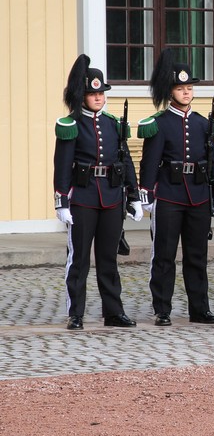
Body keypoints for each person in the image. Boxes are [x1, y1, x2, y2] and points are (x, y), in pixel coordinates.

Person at [53, 54, 143, 330]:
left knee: (109, 259)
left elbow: (125, 160)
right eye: (92, 93)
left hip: (112, 197)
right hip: (82, 198)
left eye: (101, 93)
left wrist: (135, 196)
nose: (98, 98)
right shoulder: (71, 124)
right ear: (82, 96)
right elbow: (62, 164)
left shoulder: (114, 124)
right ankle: (76, 313)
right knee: (78, 260)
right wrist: (62, 201)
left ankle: (113, 312)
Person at [137, 50, 214, 326]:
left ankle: (199, 308)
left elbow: (213, 160)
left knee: (197, 255)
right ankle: (162, 308)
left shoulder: (202, 123)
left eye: (189, 88)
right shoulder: (159, 124)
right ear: (170, 91)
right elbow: (149, 162)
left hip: (198, 194)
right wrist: (146, 193)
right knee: (164, 255)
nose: (186, 93)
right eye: (180, 88)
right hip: (169, 195)